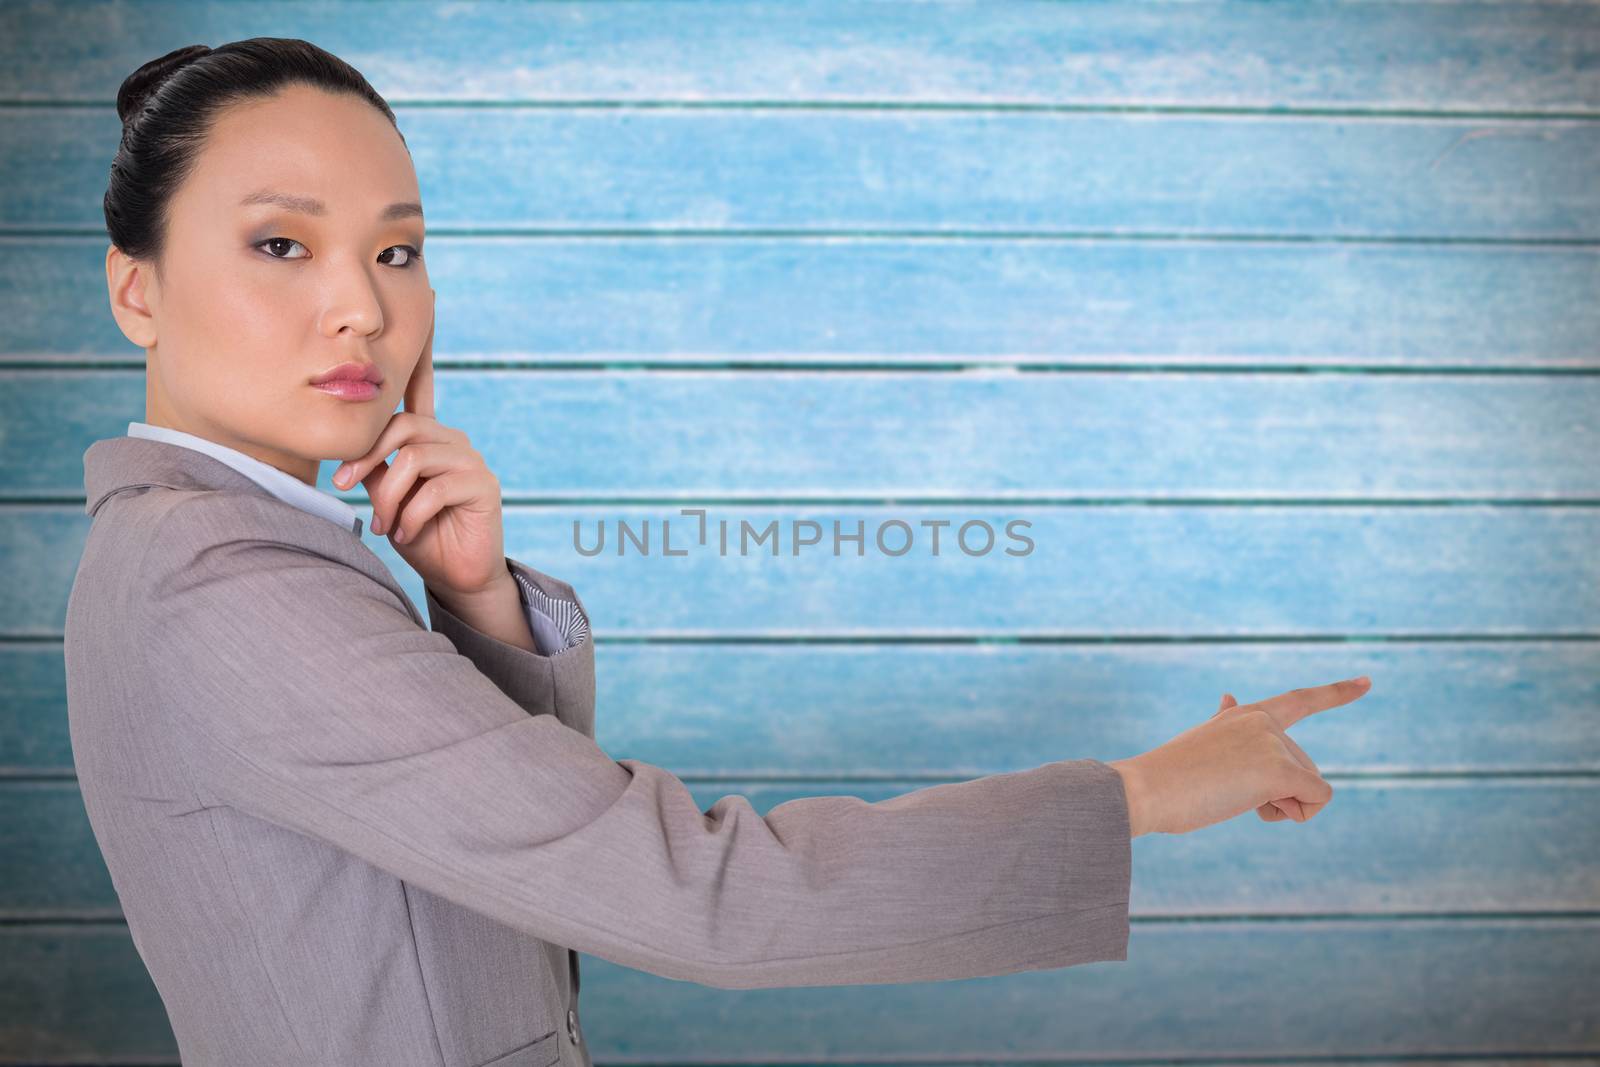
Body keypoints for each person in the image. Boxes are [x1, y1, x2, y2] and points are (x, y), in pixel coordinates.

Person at [66, 36, 1374, 1067]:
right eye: (280, 244)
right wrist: (1138, 795)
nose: (363, 303)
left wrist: (473, 604)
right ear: (139, 288)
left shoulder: (223, 549)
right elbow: (696, 896)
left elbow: (505, 862)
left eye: (397, 249)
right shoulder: (223, 586)